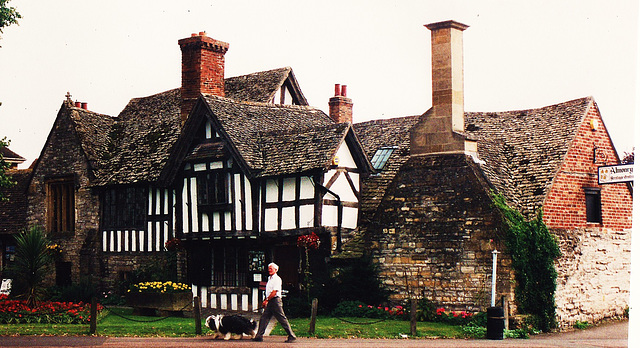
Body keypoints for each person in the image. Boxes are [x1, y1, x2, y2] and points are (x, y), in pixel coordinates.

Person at [252, 262, 297, 343]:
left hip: (275, 301)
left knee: (281, 318)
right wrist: (267, 300)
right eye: (269, 268)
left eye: (271, 269)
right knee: (264, 318)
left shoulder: (277, 279)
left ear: (276, 270)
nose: (269, 270)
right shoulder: (270, 278)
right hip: (271, 300)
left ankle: (292, 335)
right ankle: (259, 336)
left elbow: (274, 292)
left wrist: (266, 300)